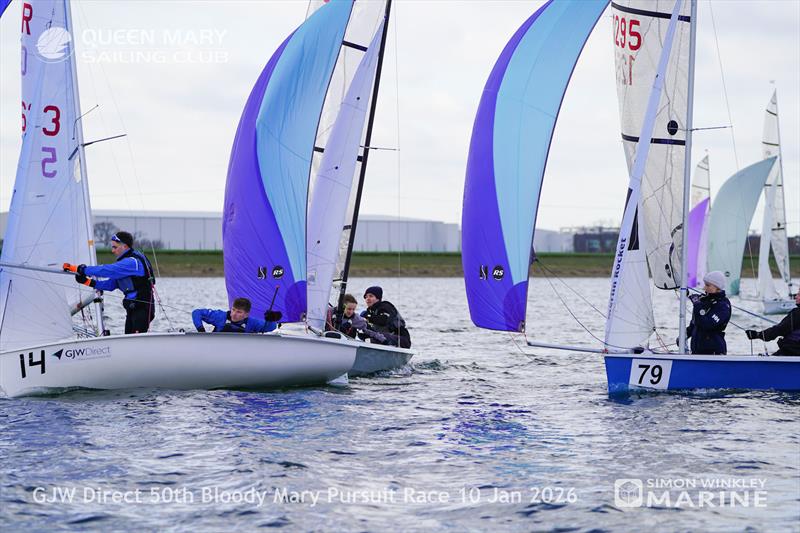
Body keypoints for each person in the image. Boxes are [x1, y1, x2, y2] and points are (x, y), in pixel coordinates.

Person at [63, 231, 156, 334]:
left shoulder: (132, 262)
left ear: (124, 246)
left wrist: (80, 269)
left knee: (135, 340)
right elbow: (111, 285)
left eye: (115, 247)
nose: (112, 250)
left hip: (142, 309)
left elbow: (107, 270)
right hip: (132, 308)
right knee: (128, 339)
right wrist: (88, 282)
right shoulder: (123, 264)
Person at [683, 271, 731, 355]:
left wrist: (697, 305)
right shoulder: (704, 301)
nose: (704, 288)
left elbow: (707, 324)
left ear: (718, 287)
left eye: (708, 285)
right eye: (705, 284)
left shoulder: (723, 305)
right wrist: (685, 335)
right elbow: (695, 324)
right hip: (697, 352)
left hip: (713, 353)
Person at [745, 291, 800, 356]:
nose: (795, 296)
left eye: (799, 295)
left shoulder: (797, 313)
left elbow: (780, 329)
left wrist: (758, 334)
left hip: (793, 352)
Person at [192, 297, 281, 333]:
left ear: (246, 314)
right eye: (233, 310)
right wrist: (201, 331)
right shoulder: (220, 316)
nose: (234, 314)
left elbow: (270, 327)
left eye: (239, 312)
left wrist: (271, 320)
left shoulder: (253, 322)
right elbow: (196, 313)